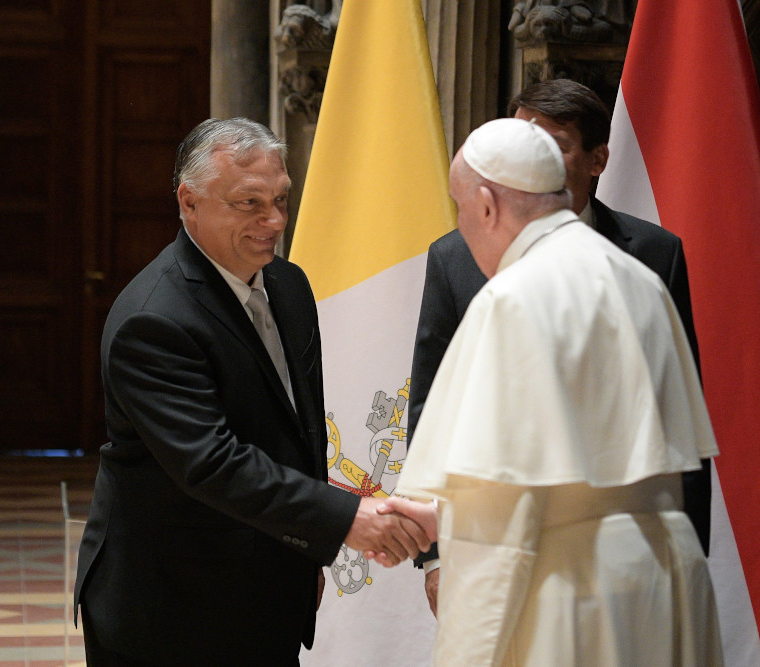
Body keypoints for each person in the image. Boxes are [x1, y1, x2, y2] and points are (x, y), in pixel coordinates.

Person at [74, 118, 433, 666]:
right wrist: (345, 520)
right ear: (188, 201)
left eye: (281, 200)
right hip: (171, 606)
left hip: (267, 588)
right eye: (249, 203)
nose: (274, 221)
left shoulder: (288, 286)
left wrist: (305, 557)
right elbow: (212, 464)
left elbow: (301, 429)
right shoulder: (153, 320)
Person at [392, 117, 722, 665]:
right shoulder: (641, 280)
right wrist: (440, 517)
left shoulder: (511, 297)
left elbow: (504, 516)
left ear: (487, 205)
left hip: (572, 590)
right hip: (661, 578)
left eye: (460, 208)